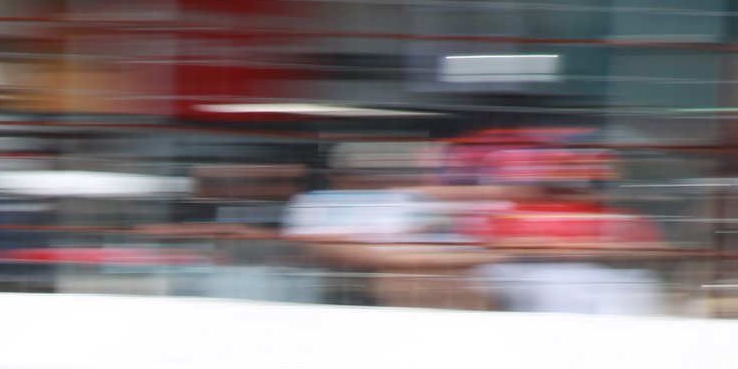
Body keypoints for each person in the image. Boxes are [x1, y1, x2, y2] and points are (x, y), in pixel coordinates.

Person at [280, 140, 489, 309]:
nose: (375, 179)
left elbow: (460, 245)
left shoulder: (408, 199)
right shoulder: (315, 204)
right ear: (335, 175)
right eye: (363, 173)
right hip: (341, 300)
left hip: (428, 297)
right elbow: (357, 256)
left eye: (381, 171)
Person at [470, 178, 667, 316]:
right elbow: (490, 249)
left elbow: (656, 248)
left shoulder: (619, 216)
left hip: (597, 274)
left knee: (634, 283)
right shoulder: (516, 213)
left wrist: (595, 244)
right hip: (536, 274)